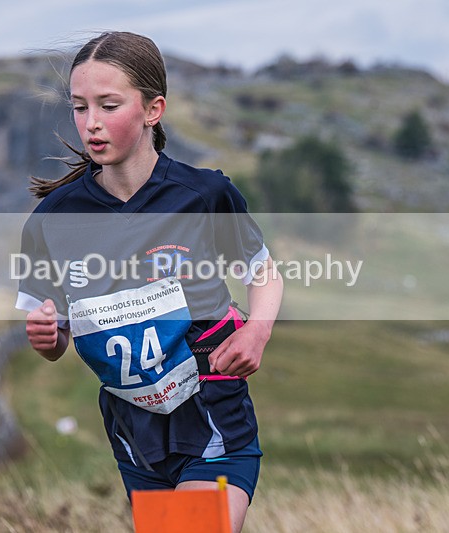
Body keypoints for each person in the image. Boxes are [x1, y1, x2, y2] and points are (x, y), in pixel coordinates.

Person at [15, 31, 283, 533]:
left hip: (212, 417)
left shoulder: (204, 195)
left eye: (108, 105)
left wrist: (257, 330)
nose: (90, 123)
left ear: (153, 109)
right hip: (135, 437)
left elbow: (263, 272)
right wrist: (47, 337)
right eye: (79, 107)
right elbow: (57, 338)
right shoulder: (53, 219)